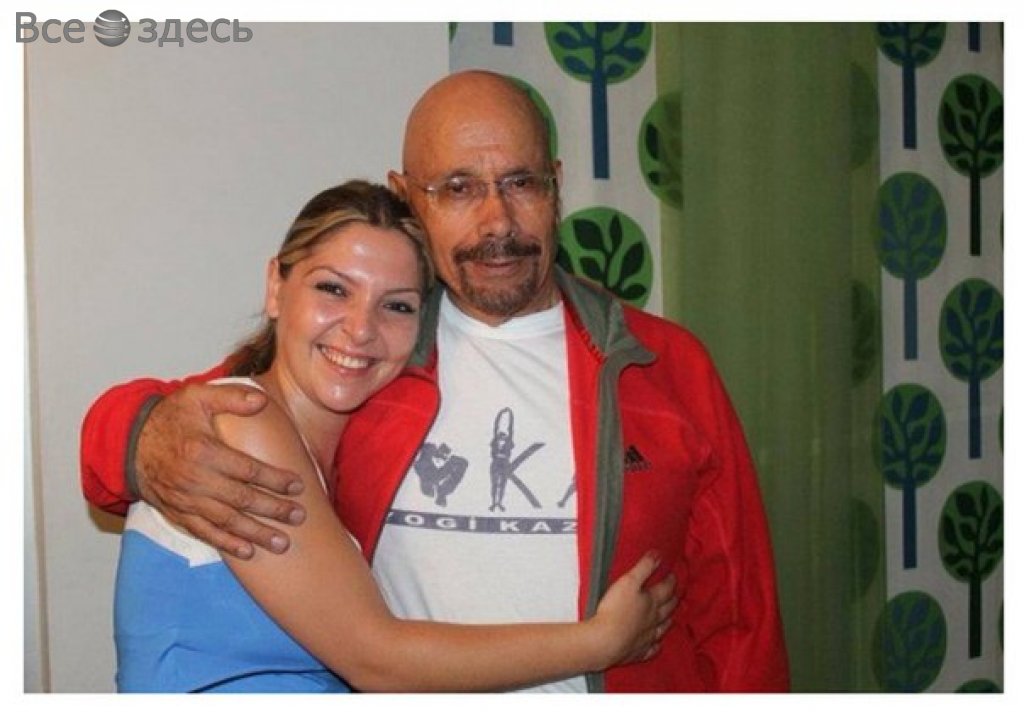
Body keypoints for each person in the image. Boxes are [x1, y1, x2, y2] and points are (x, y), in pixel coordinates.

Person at [81, 70, 790, 692]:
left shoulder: (662, 364)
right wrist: (143, 433)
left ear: (556, 185)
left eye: (521, 183)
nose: (497, 221)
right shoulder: (372, 356)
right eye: (458, 188)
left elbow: (741, 616)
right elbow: (195, 410)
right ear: (408, 197)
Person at [111, 179, 675, 692]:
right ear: (276, 287)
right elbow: (376, 659)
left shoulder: (335, 455)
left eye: (397, 306)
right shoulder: (242, 423)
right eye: (333, 289)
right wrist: (600, 641)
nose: (361, 329)